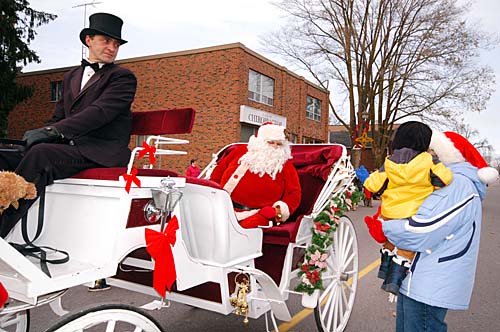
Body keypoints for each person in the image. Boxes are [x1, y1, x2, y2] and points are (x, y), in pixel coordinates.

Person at [0, 13, 136, 290]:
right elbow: (58, 115)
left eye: (116, 44)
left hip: (101, 150)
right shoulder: (72, 75)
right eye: (106, 41)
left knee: (41, 156)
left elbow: (99, 114)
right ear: (89, 40)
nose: (112, 47)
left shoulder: (122, 77)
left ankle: (1, 235)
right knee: (5, 151)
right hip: (70, 145)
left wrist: (51, 134)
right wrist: (38, 134)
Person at [367, 129, 498, 332]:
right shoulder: (441, 182)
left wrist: (385, 226)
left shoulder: (457, 185)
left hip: (429, 280)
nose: (423, 155)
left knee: (421, 326)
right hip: (420, 275)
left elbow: (421, 231)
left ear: (444, 155)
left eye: (430, 151)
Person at [363, 121, 453, 295]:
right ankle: (396, 280)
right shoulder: (428, 161)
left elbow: (373, 185)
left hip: (390, 216)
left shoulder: (389, 162)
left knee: (391, 241)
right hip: (415, 215)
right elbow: (445, 179)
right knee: (407, 249)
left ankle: (385, 263)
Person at [210, 123, 301, 228]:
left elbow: (294, 193)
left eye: (279, 144)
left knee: (244, 231)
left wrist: (277, 211)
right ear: (260, 142)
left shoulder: (285, 165)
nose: (275, 147)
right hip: (224, 206)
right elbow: (217, 174)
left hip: (259, 214)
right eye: (271, 142)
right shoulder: (240, 151)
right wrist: (214, 195)